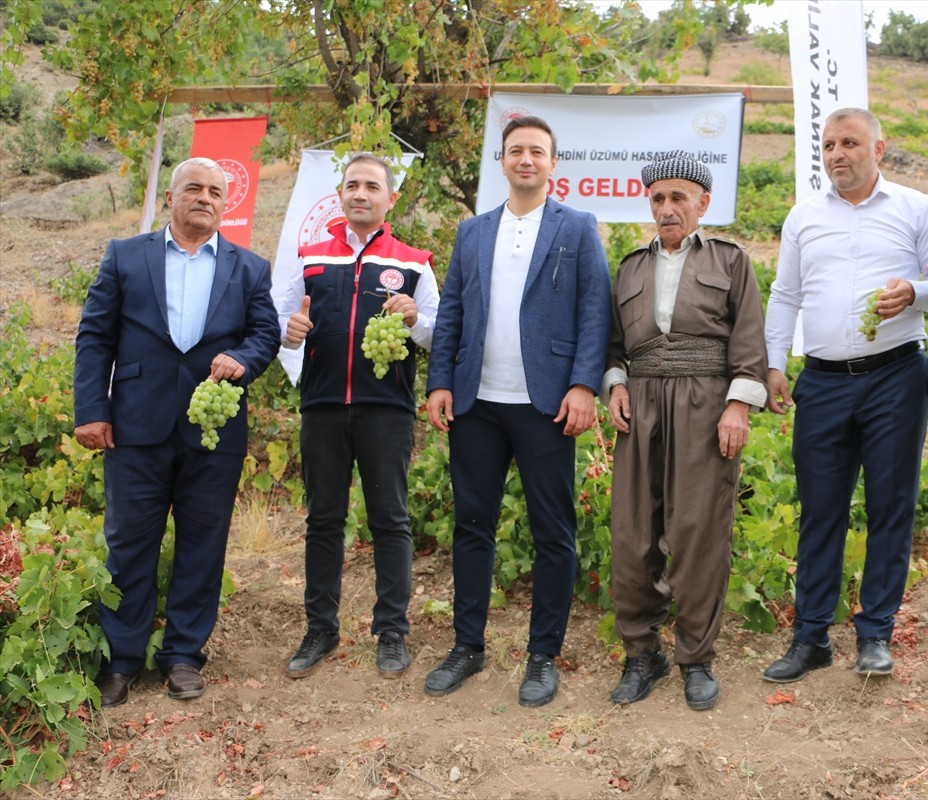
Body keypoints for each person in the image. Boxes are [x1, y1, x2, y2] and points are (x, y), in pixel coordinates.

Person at [74, 157, 279, 708]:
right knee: (128, 544)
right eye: (194, 187)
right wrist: (91, 409)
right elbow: (95, 337)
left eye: (216, 191)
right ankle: (122, 660)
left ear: (225, 204)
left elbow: (266, 334)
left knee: (202, 545)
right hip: (135, 427)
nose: (205, 197)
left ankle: (184, 655)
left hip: (214, 430)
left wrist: (242, 357)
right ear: (171, 196)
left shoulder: (250, 268)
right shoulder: (126, 256)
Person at [424, 116, 611, 708]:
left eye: (537, 151)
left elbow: (594, 313)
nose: (525, 159)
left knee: (553, 532)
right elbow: (451, 310)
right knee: (471, 526)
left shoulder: (578, 228)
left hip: (547, 404)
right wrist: (439, 383)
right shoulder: (473, 232)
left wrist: (584, 386)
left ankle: (542, 656)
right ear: (501, 161)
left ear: (554, 163)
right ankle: (467, 646)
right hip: (476, 403)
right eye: (515, 151)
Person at [762, 109, 928, 686]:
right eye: (829, 144)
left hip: (895, 376)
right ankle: (811, 637)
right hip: (820, 380)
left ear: (879, 148)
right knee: (821, 510)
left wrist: (914, 292)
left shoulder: (918, 209)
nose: (837, 153)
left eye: (850, 142)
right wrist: (774, 364)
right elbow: (785, 293)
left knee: (891, 506)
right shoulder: (803, 217)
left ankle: (875, 636)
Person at [604, 151, 769, 711]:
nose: (667, 208)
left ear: (703, 202)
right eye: (658, 198)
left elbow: (749, 342)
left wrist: (738, 406)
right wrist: (616, 385)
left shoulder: (730, 260)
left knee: (698, 528)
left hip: (705, 402)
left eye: (679, 197)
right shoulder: (629, 266)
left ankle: (696, 658)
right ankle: (641, 654)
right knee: (632, 532)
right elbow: (613, 345)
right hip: (642, 401)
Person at [276, 153, 440, 680]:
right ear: (341, 195)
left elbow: (440, 333)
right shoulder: (310, 256)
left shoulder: (414, 261)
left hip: (385, 410)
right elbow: (280, 316)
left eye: (372, 186)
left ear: (391, 198)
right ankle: (320, 629)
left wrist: (416, 319)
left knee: (389, 522)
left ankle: (391, 632)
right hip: (322, 406)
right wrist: (290, 330)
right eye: (352, 185)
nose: (361, 193)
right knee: (323, 521)